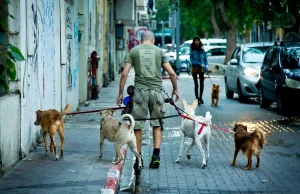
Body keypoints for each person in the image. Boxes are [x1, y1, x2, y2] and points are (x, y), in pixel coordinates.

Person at [116, 30, 179, 171]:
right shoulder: (159, 52)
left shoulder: (134, 51)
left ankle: (139, 159)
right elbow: (172, 73)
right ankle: (156, 156)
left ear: (140, 40)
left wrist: (120, 93)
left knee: (137, 125)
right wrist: (175, 89)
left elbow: (124, 73)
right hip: (157, 92)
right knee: (157, 123)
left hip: (140, 93)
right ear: (153, 40)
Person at [189, 36, 209, 105]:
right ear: (194, 42)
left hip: (202, 68)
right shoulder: (192, 50)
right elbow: (192, 60)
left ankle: (201, 97)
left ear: (199, 41)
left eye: (198, 40)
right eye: (195, 40)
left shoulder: (202, 50)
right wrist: (200, 64)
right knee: (196, 84)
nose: (197, 41)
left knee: (202, 83)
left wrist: (207, 66)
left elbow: (205, 60)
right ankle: (197, 99)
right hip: (195, 68)